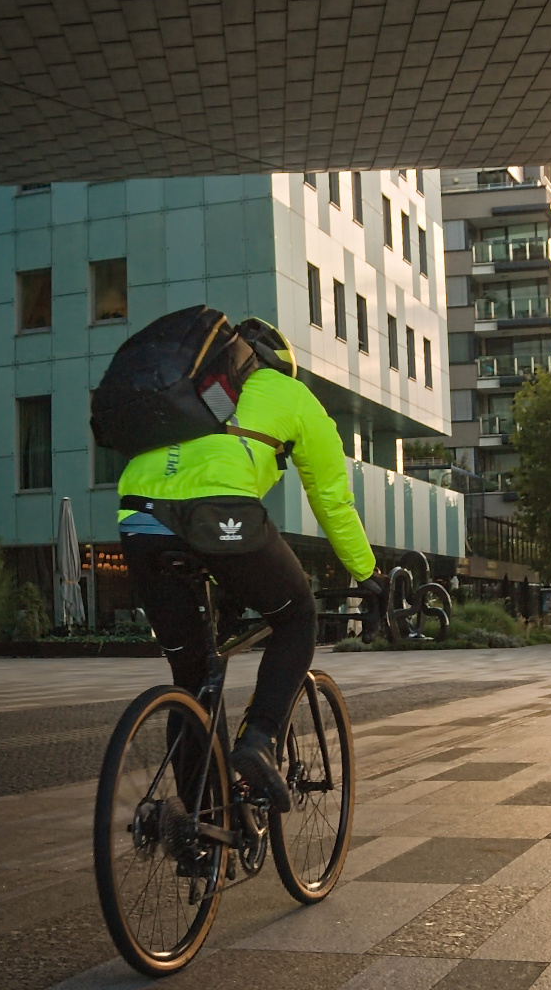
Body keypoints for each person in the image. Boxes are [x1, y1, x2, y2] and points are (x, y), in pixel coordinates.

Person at [116, 318, 386, 811]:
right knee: (297, 617)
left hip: (138, 518)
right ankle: (259, 740)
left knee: (191, 674)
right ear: (281, 365)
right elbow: (332, 500)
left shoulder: (192, 391)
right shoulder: (291, 395)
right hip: (220, 514)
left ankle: (203, 819)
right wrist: (367, 574)